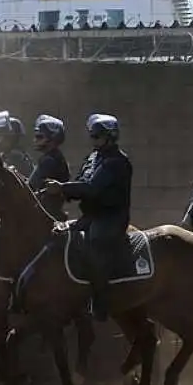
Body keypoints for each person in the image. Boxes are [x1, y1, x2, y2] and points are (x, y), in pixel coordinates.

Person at [44, 114, 133, 321]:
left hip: (111, 218)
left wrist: (61, 188)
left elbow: (92, 188)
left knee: (95, 243)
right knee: (63, 236)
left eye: (97, 136)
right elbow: (82, 182)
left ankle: (101, 301)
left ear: (109, 137)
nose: (93, 140)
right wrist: (63, 192)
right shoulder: (94, 158)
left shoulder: (116, 162)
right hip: (92, 215)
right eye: (92, 136)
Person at [28, 114, 70, 221]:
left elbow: (30, 188)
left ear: (52, 139)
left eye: (40, 137)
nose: (35, 140)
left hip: (43, 216)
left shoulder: (48, 160)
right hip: (49, 213)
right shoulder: (55, 157)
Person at [0, 110, 35, 178]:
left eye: (3, 137)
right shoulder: (8, 154)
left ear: (12, 138)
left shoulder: (14, 157)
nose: (0, 141)